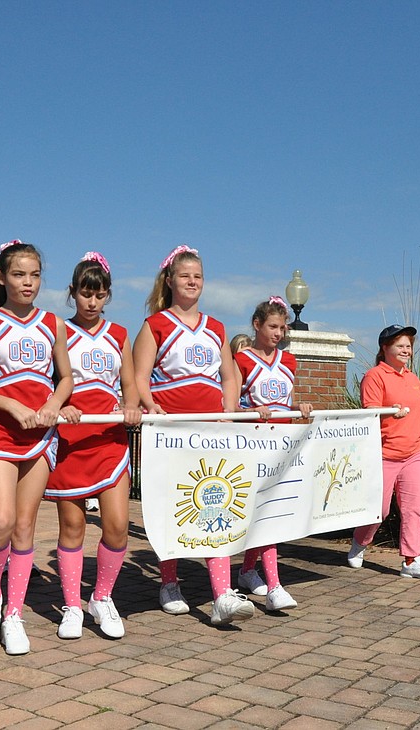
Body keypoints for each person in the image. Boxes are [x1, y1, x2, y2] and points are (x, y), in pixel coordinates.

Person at [0, 240, 73, 655]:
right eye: (19, 274)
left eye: (35, 275)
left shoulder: (53, 323)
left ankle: (14, 613)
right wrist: (11, 405)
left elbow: (65, 379)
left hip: (40, 433)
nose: (28, 282)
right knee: (2, 520)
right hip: (1, 432)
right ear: (1, 276)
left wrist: (51, 405)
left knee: (25, 526)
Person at [133, 245, 254, 626]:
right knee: (172, 505)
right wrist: (151, 406)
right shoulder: (156, 324)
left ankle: (221, 595)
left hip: (209, 429)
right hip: (170, 430)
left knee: (213, 500)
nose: (192, 282)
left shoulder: (216, 327)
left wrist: (228, 413)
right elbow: (138, 375)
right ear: (170, 281)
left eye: (198, 276)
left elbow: (229, 375)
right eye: (185, 276)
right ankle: (169, 582)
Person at [47, 252, 141, 640]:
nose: (92, 302)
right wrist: (61, 404)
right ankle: (71, 604)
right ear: (73, 293)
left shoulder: (119, 333)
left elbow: (130, 381)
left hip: (109, 437)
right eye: (85, 294)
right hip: (70, 438)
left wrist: (131, 406)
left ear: (108, 296)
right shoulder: (58, 331)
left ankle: (101, 597)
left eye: (99, 295)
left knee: (118, 527)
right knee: (72, 527)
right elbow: (51, 380)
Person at [233, 296, 313, 611]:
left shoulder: (289, 361)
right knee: (266, 513)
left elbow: (287, 402)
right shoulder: (243, 360)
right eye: (273, 326)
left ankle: (246, 571)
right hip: (254, 446)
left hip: (283, 446)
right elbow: (230, 405)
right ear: (257, 325)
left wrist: (299, 408)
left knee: (269, 513)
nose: (279, 333)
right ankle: (274, 586)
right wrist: (251, 410)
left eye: (282, 327)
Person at [346, 324, 420, 580]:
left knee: (415, 508)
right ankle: (359, 542)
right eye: (400, 345)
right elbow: (369, 412)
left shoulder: (413, 378)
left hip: (415, 454)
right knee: (380, 509)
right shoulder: (375, 376)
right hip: (384, 453)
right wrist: (390, 411)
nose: (405, 350)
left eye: (408, 345)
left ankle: (412, 560)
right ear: (385, 348)